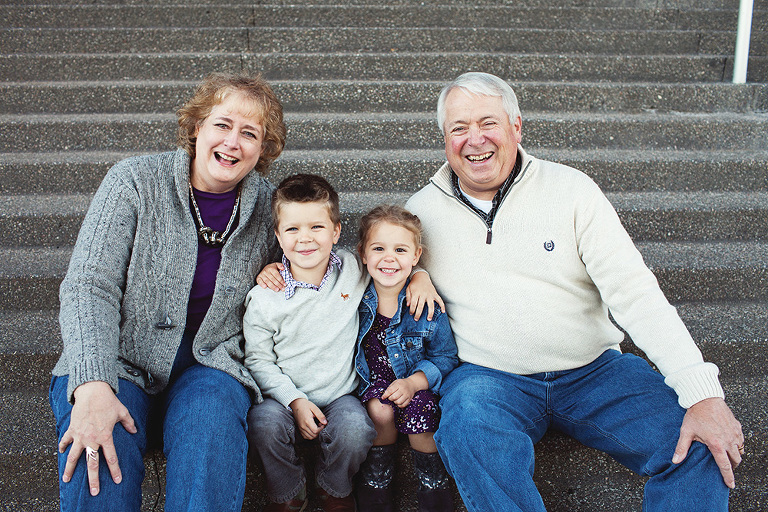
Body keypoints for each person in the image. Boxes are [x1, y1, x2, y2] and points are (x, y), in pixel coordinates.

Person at [405, 72, 745, 512]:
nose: (475, 139)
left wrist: (703, 394)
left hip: (595, 372)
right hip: (490, 378)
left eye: (487, 123)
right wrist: (412, 275)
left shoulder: (572, 190)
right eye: (459, 128)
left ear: (516, 127)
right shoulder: (420, 213)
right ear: (444, 139)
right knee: (465, 428)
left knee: (699, 439)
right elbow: (376, 272)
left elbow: (635, 292)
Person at [49, 71, 286, 511]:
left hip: (210, 363)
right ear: (197, 127)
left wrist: (415, 275)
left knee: (211, 421)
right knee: (100, 448)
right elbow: (88, 285)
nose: (233, 142)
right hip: (118, 358)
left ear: (262, 150)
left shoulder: (271, 207)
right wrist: (93, 383)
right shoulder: (135, 181)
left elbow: (320, 264)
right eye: (222, 124)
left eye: (249, 133)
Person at [243, 175, 442, 512]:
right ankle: (288, 492)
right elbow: (258, 360)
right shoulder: (265, 297)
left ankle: (332, 486)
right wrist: (294, 401)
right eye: (292, 230)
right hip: (281, 397)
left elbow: (388, 264)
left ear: (336, 231)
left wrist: (420, 275)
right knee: (263, 425)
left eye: (316, 228)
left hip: (339, 395)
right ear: (278, 236)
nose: (305, 239)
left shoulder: (351, 269)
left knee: (356, 429)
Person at [353, 205, 458, 512]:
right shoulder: (353, 296)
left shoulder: (426, 305)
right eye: (378, 248)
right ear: (362, 253)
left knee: (420, 405)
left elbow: (445, 356)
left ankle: (432, 480)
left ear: (416, 256)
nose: (389, 257)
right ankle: (378, 479)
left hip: (417, 382)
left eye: (400, 249)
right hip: (372, 382)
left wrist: (413, 382)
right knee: (380, 410)